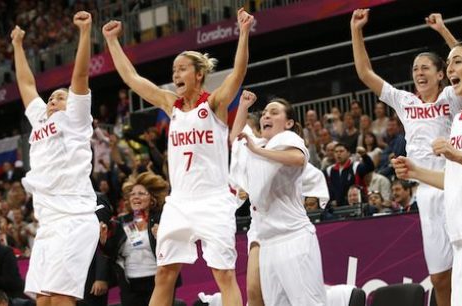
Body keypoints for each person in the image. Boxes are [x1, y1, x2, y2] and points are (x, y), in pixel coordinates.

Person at [102, 8, 254, 306]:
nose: (175, 74)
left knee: (223, 275)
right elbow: (132, 79)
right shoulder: (170, 104)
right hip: (180, 202)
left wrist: (244, 33)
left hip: (213, 200)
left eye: (182, 68)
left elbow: (238, 73)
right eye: (174, 69)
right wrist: (111, 41)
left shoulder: (214, 103)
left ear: (199, 74)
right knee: (164, 274)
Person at [351, 9, 462, 306]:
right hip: (426, 194)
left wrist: (442, 31)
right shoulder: (405, 101)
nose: (419, 73)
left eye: (426, 67)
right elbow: (365, 73)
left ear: (441, 74)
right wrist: (356, 31)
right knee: (439, 278)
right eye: (415, 69)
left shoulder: (451, 97)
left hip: (456, 187)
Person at [392, 40, 462, 306]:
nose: (450, 67)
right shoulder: (460, 120)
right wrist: (415, 171)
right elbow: (452, 179)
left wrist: (456, 154)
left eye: (457, 61)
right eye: (449, 62)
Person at [12, 11, 99, 306]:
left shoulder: (74, 118)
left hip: (74, 218)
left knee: (62, 298)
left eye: (60, 97)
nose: (52, 101)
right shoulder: (39, 121)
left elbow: (81, 75)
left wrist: (85, 33)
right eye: (50, 99)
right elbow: (26, 85)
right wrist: (18, 46)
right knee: (43, 300)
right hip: (48, 222)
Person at [230, 93, 327, 305]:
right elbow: (236, 139)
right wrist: (243, 106)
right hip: (267, 244)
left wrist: (257, 151)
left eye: (274, 113)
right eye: (264, 113)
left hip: (293, 238)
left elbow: (297, 158)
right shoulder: (259, 146)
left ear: (288, 123)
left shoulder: (287, 138)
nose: (266, 116)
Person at [103, 172, 181, 306]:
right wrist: (103, 242)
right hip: (130, 285)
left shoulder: (162, 220)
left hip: (158, 281)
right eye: (132, 194)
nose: (136, 197)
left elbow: (175, 249)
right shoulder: (122, 222)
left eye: (141, 193)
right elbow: (111, 254)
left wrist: (161, 238)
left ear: (152, 199)